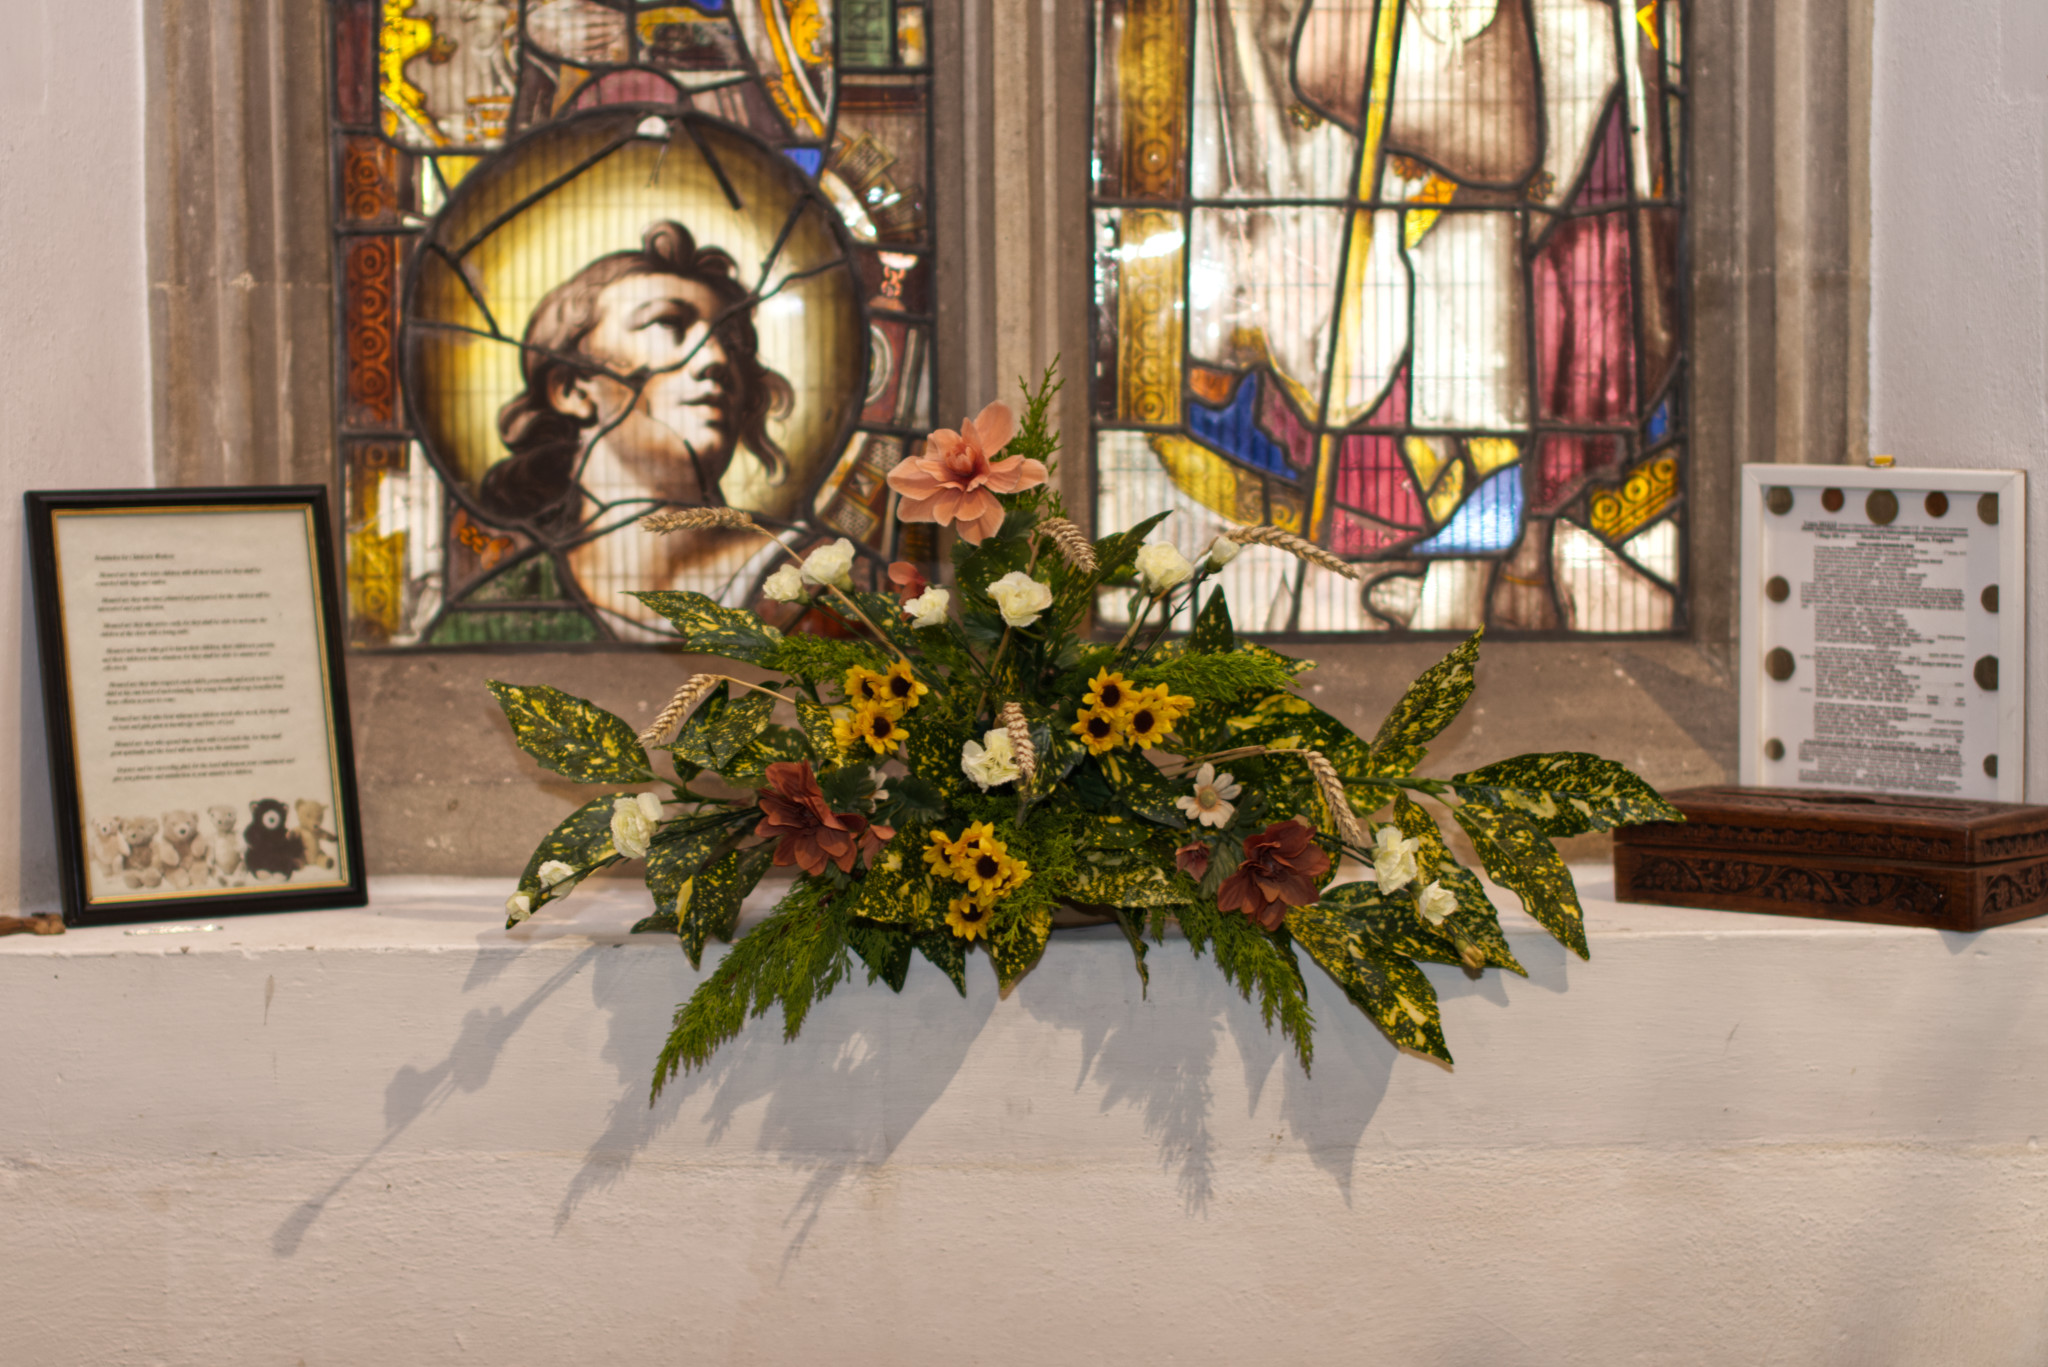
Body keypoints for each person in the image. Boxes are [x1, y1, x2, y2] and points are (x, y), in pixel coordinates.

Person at [480, 220, 797, 634]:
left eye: (731, 342)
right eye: (667, 323)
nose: (716, 359)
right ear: (573, 388)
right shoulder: (509, 594)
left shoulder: (805, 572)